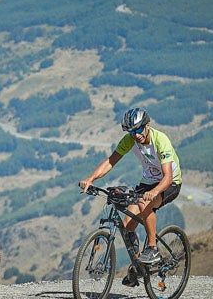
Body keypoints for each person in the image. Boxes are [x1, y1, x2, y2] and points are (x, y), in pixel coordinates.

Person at [78, 107, 182, 284]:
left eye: (139, 129)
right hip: (147, 182)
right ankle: (138, 267)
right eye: (132, 131)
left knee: (145, 204)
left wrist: (154, 192)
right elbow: (111, 161)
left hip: (169, 183)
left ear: (147, 125)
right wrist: (90, 179)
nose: (136, 135)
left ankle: (152, 248)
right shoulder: (130, 140)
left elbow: (168, 177)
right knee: (128, 225)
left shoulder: (160, 140)